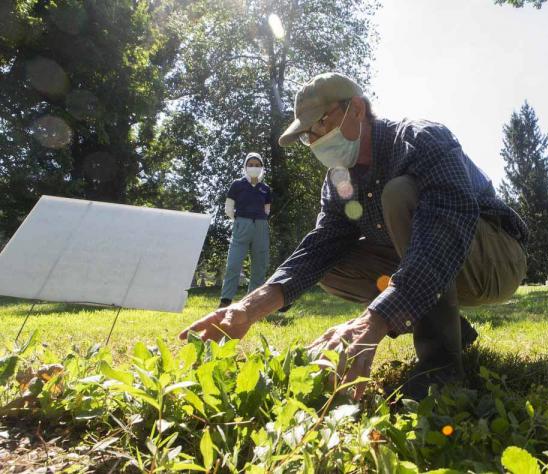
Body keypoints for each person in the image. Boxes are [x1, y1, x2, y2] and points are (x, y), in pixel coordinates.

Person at [182, 73, 527, 400]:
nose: (315, 140)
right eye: (307, 135)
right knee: (330, 264)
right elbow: (317, 251)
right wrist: (246, 309)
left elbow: (443, 234)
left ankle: (442, 370)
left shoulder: (421, 140)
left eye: (320, 124)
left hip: (494, 261)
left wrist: (372, 322)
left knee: (400, 193)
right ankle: (450, 328)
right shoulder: (339, 182)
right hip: (440, 270)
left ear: (357, 109)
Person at [218, 152, 272, 308]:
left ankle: (252, 303)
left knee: (259, 265)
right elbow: (229, 207)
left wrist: (259, 221)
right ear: (245, 166)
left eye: (257, 165)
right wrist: (239, 221)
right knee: (234, 263)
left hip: (260, 226)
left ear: (261, 167)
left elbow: (267, 209)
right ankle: (225, 300)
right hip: (242, 224)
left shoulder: (265, 188)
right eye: (251, 164)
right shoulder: (237, 184)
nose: (254, 167)